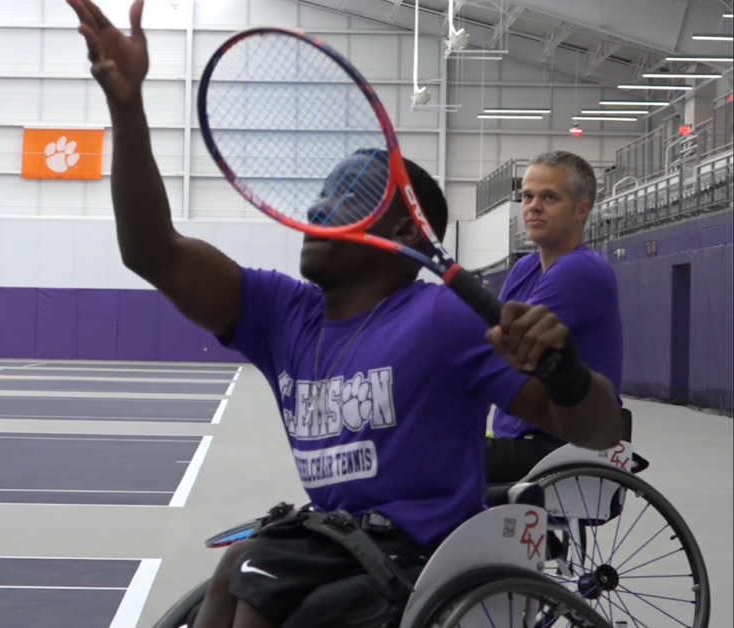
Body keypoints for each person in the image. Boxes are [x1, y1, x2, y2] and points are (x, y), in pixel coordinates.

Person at [65, 2, 624, 627]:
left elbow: (598, 430)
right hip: (336, 540)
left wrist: (568, 376)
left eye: (348, 195)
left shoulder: (442, 321)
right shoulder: (281, 315)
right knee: (236, 572)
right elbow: (151, 250)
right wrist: (125, 104)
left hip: (422, 559)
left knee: (261, 586)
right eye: (322, 192)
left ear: (401, 230)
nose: (320, 206)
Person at [486, 151, 624, 483]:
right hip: (516, 439)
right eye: (528, 196)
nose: (533, 205)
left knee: (425, 459)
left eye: (549, 197)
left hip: (560, 446)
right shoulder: (525, 267)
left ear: (581, 209)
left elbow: (498, 349)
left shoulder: (581, 270)